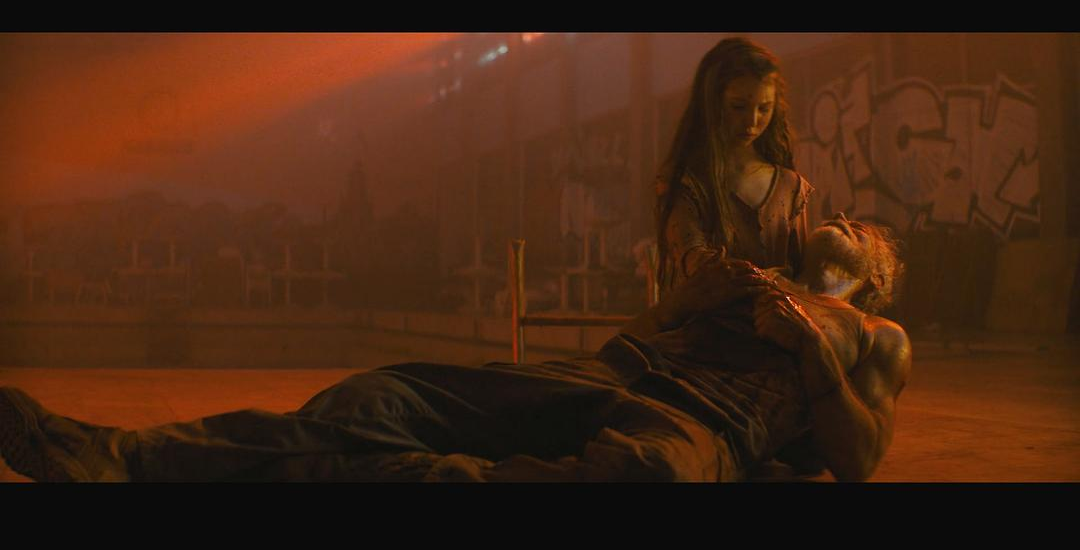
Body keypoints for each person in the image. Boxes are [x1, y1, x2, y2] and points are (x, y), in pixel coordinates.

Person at [0, 215, 909, 482]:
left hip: (698, 423)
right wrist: (678, 302)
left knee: (648, 480)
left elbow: (859, 460)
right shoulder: (747, 280)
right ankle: (115, 453)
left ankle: (381, 475)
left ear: (874, 275)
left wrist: (812, 352)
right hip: (606, 375)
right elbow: (621, 347)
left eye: (857, 226)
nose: (837, 218)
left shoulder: (875, 336)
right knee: (381, 395)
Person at [656, 37, 814, 295]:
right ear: (712, 103)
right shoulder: (686, 182)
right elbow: (695, 263)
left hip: (781, 318)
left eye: (764, 108)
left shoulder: (789, 186)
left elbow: (804, 278)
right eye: (738, 107)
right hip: (705, 318)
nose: (751, 121)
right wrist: (771, 282)